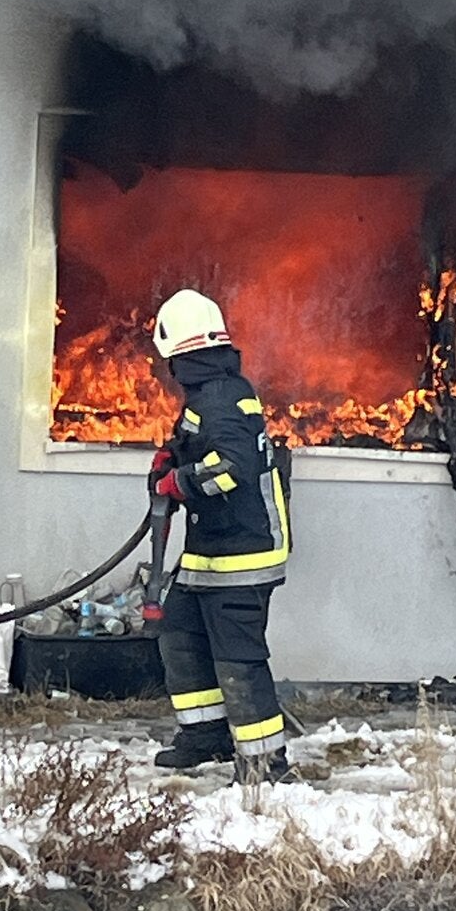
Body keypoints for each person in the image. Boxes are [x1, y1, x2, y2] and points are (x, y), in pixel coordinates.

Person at [148, 288, 292, 784]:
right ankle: (205, 736)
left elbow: (232, 464)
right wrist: (173, 456)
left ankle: (263, 764)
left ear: (181, 355)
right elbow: (199, 441)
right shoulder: (209, 395)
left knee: (238, 658)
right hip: (209, 551)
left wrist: (180, 482)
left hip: (243, 555)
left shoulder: (226, 398)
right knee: (181, 636)